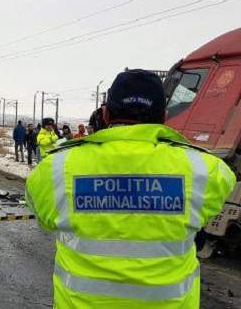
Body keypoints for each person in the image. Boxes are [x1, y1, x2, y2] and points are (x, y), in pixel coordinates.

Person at [25, 69, 236, 309]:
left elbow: (44, 218)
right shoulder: (204, 169)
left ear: (105, 113)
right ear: (164, 116)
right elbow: (222, 190)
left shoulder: (54, 169)